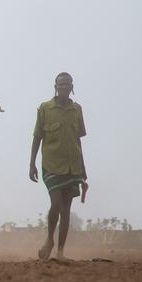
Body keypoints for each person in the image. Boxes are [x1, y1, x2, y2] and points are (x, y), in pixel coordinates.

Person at [29, 72, 88, 260]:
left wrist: (84, 172)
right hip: (51, 165)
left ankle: (60, 251)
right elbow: (37, 137)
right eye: (60, 84)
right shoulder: (45, 109)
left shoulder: (77, 110)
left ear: (72, 87)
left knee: (66, 210)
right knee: (55, 204)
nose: (64, 87)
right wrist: (31, 164)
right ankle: (49, 240)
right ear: (55, 86)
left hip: (73, 167)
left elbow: (78, 141)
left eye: (67, 84)